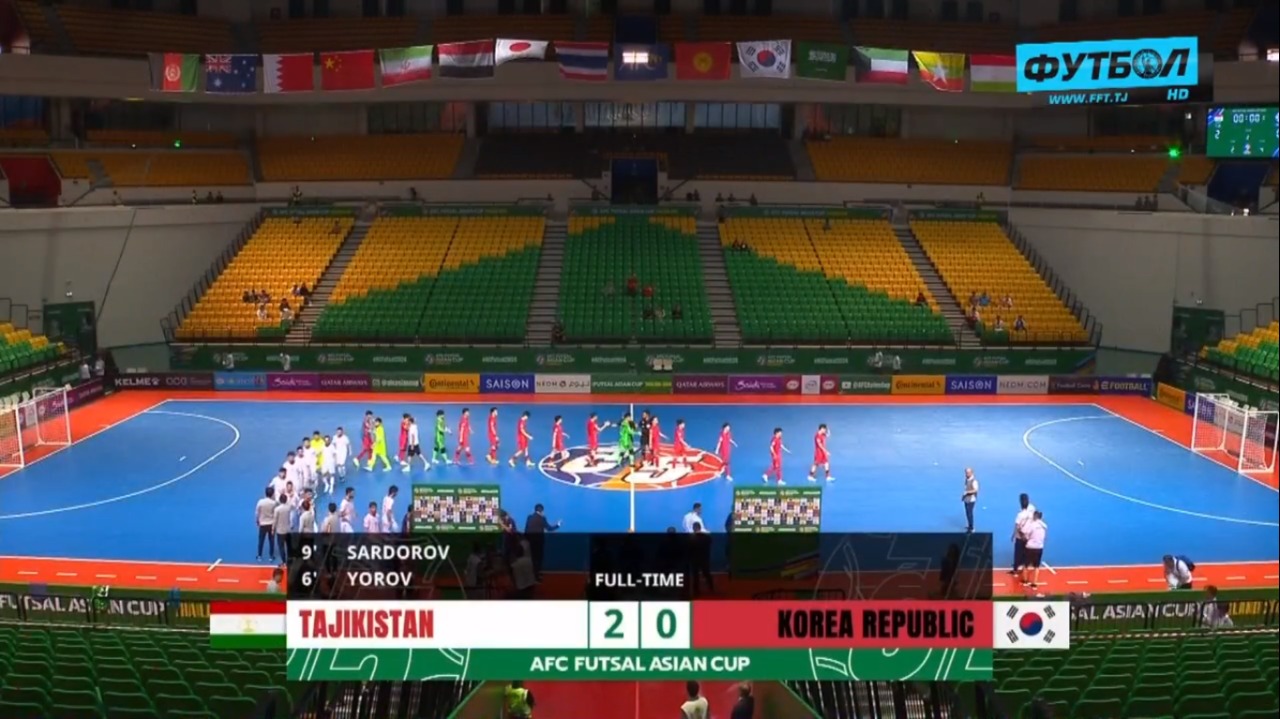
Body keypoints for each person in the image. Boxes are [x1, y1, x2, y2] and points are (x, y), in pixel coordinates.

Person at [524, 504, 561, 580]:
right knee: (538, 558)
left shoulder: (529, 517)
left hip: (530, 542)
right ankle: (536, 575)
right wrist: (558, 525)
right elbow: (549, 528)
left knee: (532, 558)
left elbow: (526, 530)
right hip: (539, 542)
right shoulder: (542, 518)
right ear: (541, 511)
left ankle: (533, 574)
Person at [1021, 511, 1047, 588]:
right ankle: (1034, 583)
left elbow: (1025, 535)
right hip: (1039, 548)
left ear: (1035, 516)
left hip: (1030, 547)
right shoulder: (1044, 526)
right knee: (1036, 566)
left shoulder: (1032, 525)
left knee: (1025, 564)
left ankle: (1025, 581)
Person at [1012, 493, 1036, 575]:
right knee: (1026, 551)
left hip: (1020, 535)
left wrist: (1013, 535)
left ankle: (1016, 569)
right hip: (1028, 534)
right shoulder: (1032, 508)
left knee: (1018, 552)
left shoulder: (1020, 514)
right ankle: (1024, 567)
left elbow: (1017, 526)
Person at [255, 487, 277, 562]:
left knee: (261, 540)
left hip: (263, 524)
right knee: (271, 540)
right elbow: (275, 514)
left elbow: (257, 512)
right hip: (271, 524)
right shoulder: (274, 503)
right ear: (272, 494)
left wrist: (257, 520)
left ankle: (259, 556)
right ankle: (271, 556)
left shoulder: (260, 502)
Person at [273, 496, 293, 562]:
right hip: (288, 530)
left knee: (281, 546)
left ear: (280, 500)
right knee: (289, 545)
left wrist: (273, 529)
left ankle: (284, 561)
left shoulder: (277, 509)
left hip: (280, 531)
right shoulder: (288, 508)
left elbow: (275, 520)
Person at [961, 468, 979, 533]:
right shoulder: (967, 479)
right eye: (966, 472)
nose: (966, 474)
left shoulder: (974, 481)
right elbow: (966, 488)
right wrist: (963, 496)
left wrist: (967, 492)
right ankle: (969, 525)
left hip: (971, 499)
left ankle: (971, 528)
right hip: (966, 499)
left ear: (971, 473)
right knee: (967, 513)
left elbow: (975, 490)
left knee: (970, 513)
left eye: (968, 473)